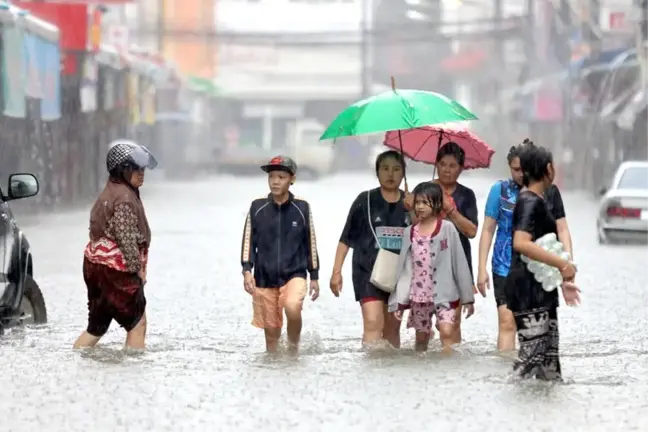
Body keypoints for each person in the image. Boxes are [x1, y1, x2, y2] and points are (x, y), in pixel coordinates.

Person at [505, 144, 580, 380]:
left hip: (540, 288)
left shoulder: (537, 199)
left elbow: (544, 247)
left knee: (548, 365)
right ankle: (509, 406)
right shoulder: (530, 201)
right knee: (529, 360)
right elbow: (521, 242)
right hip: (527, 292)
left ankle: (545, 413)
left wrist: (563, 278)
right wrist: (562, 265)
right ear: (549, 169)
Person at [73, 140, 157, 350]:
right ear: (122, 170)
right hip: (116, 272)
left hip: (95, 268)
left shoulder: (110, 192)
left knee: (96, 327)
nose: (142, 173)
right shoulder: (124, 199)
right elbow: (126, 238)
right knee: (138, 323)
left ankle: (76, 360)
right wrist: (137, 271)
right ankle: (133, 374)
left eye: (143, 168)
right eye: (136, 168)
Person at [241, 155, 320, 354]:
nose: (275, 181)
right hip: (265, 277)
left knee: (293, 307)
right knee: (272, 343)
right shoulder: (257, 207)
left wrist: (315, 276)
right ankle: (274, 371)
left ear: (292, 179)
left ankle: (294, 347)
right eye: (272, 177)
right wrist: (247, 270)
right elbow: (248, 240)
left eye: (281, 177)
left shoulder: (302, 207)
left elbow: (310, 241)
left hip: (295, 272)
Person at [329, 150, 409, 348]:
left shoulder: (413, 202)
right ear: (377, 172)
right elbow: (346, 238)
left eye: (396, 169)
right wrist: (336, 272)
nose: (390, 174)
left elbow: (425, 237)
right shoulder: (364, 200)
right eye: (385, 169)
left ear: (403, 174)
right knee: (373, 322)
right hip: (367, 271)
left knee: (392, 330)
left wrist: (415, 208)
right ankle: (370, 369)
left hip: (400, 274)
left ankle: (390, 372)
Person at [388, 182, 475, 353]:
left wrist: (468, 298)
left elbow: (459, 262)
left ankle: (446, 369)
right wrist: (397, 302)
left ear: (436, 204)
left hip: (444, 293)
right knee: (421, 340)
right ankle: (423, 372)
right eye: (417, 202)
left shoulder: (447, 229)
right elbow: (403, 270)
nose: (419, 207)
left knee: (447, 331)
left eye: (425, 203)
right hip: (419, 296)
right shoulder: (410, 232)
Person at [476, 145, 524, 352]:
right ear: (509, 167)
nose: (522, 174)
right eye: (516, 169)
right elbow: (487, 229)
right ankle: (505, 371)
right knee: (506, 322)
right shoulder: (500, 191)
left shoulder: (545, 191)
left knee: (530, 324)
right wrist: (481, 268)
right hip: (503, 265)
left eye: (526, 168)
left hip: (534, 267)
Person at [432, 142, 479, 344]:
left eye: (452, 166)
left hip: (457, 264)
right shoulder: (425, 190)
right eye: (443, 164)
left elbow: (471, 231)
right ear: (436, 164)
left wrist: (450, 210)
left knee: (452, 324)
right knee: (425, 325)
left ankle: (451, 361)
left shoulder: (466, 195)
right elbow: (413, 225)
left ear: (461, 168)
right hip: (427, 263)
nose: (447, 170)